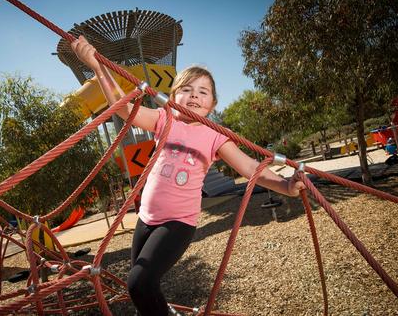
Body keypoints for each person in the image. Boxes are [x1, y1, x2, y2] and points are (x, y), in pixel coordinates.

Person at [71, 36, 304, 316]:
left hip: (178, 222)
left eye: (203, 92)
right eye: (187, 89)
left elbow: (250, 168)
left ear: (213, 105)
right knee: (144, 288)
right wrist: (98, 67)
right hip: (146, 218)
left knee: (138, 283)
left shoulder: (214, 135)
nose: (194, 95)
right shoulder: (163, 119)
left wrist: (286, 186)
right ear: (172, 97)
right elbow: (122, 108)